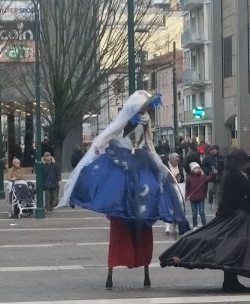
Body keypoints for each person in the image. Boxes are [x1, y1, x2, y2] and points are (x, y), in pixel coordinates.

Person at [58, 90, 189, 289]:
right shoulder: (128, 116)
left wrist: (158, 162)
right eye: (146, 104)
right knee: (117, 185)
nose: (148, 108)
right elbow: (112, 130)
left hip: (141, 159)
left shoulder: (146, 119)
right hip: (123, 157)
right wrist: (98, 144)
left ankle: (141, 217)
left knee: (151, 190)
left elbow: (149, 142)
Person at [160, 148, 250, 293]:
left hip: (229, 216)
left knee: (229, 247)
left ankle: (230, 281)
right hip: (236, 217)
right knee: (235, 247)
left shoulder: (228, 174)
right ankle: (231, 281)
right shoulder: (237, 176)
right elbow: (248, 196)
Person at [185, 162, 216, 229]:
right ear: (192, 170)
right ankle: (195, 226)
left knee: (202, 212)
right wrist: (187, 195)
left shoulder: (203, 176)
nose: (197, 169)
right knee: (194, 213)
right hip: (193, 198)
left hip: (201, 197)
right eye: (195, 168)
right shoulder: (189, 178)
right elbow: (187, 188)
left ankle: (204, 225)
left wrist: (213, 173)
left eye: (198, 168)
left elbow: (209, 179)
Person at [164, 152, 185, 235]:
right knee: (168, 207)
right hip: (168, 187)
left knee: (176, 207)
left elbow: (183, 177)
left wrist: (180, 178)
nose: (177, 162)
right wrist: (171, 179)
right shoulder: (166, 166)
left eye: (178, 161)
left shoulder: (180, 166)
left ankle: (175, 225)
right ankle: (167, 226)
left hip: (177, 187)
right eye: (175, 161)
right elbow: (163, 176)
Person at [202, 145, 225, 209]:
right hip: (210, 176)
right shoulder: (208, 157)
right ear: (212, 150)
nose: (215, 151)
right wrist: (208, 171)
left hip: (219, 176)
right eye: (214, 149)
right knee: (211, 189)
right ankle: (210, 202)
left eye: (216, 149)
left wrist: (220, 171)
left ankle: (217, 204)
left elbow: (224, 166)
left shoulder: (221, 157)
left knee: (218, 190)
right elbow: (203, 165)